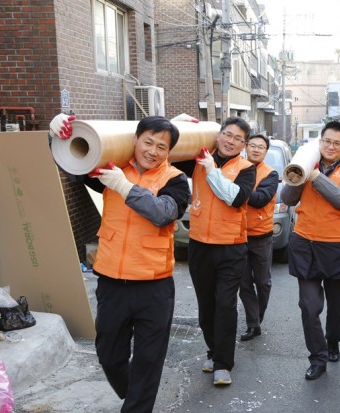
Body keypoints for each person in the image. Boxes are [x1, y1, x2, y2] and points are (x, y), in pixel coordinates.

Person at [49, 114, 191, 413]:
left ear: (169, 152)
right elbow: (73, 158)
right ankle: (136, 398)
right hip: (112, 283)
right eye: (148, 142)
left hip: (154, 288)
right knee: (109, 355)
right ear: (135, 140)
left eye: (161, 147)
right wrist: (58, 134)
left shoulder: (175, 180)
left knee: (148, 361)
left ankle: (138, 405)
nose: (152, 151)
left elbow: (163, 213)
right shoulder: (110, 169)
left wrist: (125, 187)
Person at [281, 121, 340, 380]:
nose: (330, 146)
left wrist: (316, 177)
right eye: (326, 141)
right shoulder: (308, 163)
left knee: (337, 305)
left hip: (337, 247)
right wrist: (301, 173)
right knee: (309, 306)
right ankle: (317, 358)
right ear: (320, 142)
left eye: (336, 143)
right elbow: (288, 198)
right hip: (305, 244)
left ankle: (333, 341)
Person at [188, 116, 256, 386]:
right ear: (218, 136)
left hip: (231, 247)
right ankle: (213, 351)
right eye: (227, 134)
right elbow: (167, 146)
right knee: (206, 306)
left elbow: (236, 197)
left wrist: (211, 171)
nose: (231, 141)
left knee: (226, 305)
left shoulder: (246, 168)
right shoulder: (196, 159)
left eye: (238, 138)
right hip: (199, 245)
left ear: (244, 144)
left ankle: (223, 364)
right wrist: (182, 121)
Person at [239, 134, 279, 341]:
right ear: (245, 147)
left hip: (262, 236)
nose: (256, 150)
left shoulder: (271, 174)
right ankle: (252, 324)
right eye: (252, 146)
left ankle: (258, 315)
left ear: (265, 151)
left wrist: (236, 190)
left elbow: (260, 199)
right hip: (238, 235)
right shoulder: (236, 168)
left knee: (263, 282)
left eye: (260, 147)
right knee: (244, 283)